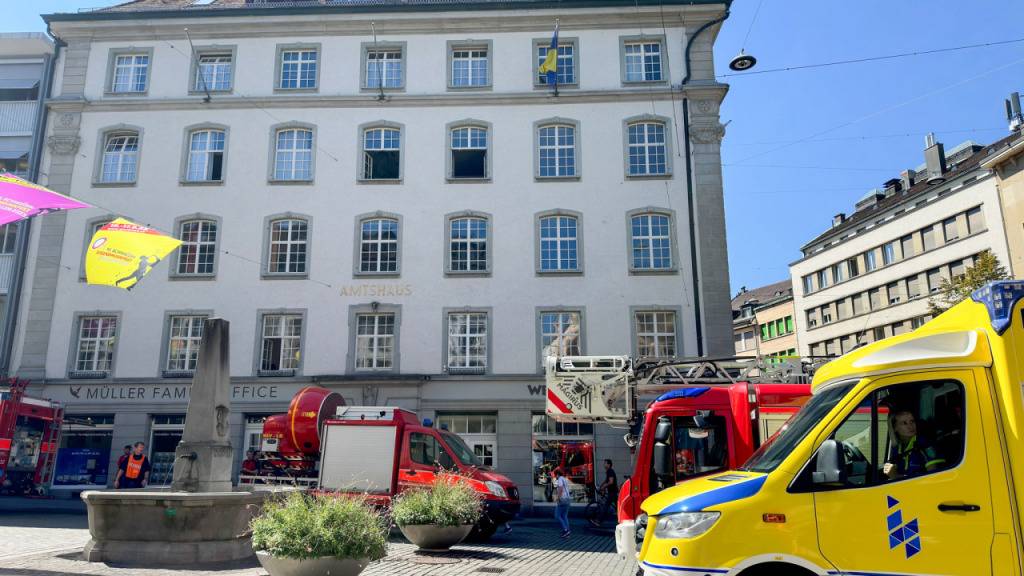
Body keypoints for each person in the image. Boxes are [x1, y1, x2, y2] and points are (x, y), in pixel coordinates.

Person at [883, 410, 945, 480]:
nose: (910, 426)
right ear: (895, 428)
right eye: (904, 423)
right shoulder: (896, 449)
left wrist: (896, 476)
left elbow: (935, 478)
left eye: (912, 421)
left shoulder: (925, 444)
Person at [553, 467, 572, 538]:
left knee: (557, 515)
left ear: (558, 474)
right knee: (564, 516)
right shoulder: (565, 479)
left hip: (562, 499)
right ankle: (568, 531)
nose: (555, 477)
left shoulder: (560, 479)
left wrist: (558, 498)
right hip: (568, 499)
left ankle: (565, 530)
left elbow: (560, 489)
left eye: (555, 475)